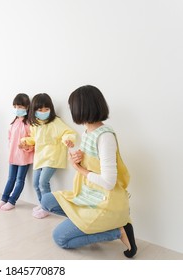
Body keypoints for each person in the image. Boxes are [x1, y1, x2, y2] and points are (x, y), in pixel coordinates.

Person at [40, 85, 137, 258]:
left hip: (103, 202)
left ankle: (117, 230)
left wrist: (80, 168)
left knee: (60, 238)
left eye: (72, 107)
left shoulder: (105, 137)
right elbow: (93, 163)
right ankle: (86, 225)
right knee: (47, 200)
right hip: (87, 194)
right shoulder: (87, 133)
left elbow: (109, 182)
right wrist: (78, 158)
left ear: (81, 108)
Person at [20, 93, 76, 219]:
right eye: (40, 109)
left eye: (46, 109)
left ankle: (47, 208)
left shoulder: (56, 122)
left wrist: (68, 139)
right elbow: (34, 139)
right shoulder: (35, 124)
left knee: (43, 182)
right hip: (40, 157)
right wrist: (25, 141)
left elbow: (68, 132)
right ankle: (42, 204)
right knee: (35, 184)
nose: (43, 112)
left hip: (52, 157)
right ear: (34, 110)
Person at [0, 93, 34, 211]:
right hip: (13, 156)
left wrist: (27, 147)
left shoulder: (29, 124)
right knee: (10, 178)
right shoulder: (14, 122)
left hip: (24, 157)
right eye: (16, 106)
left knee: (20, 179)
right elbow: (10, 138)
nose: (18, 109)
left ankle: (12, 201)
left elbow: (33, 141)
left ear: (27, 107)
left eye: (21, 107)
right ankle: (3, 199)